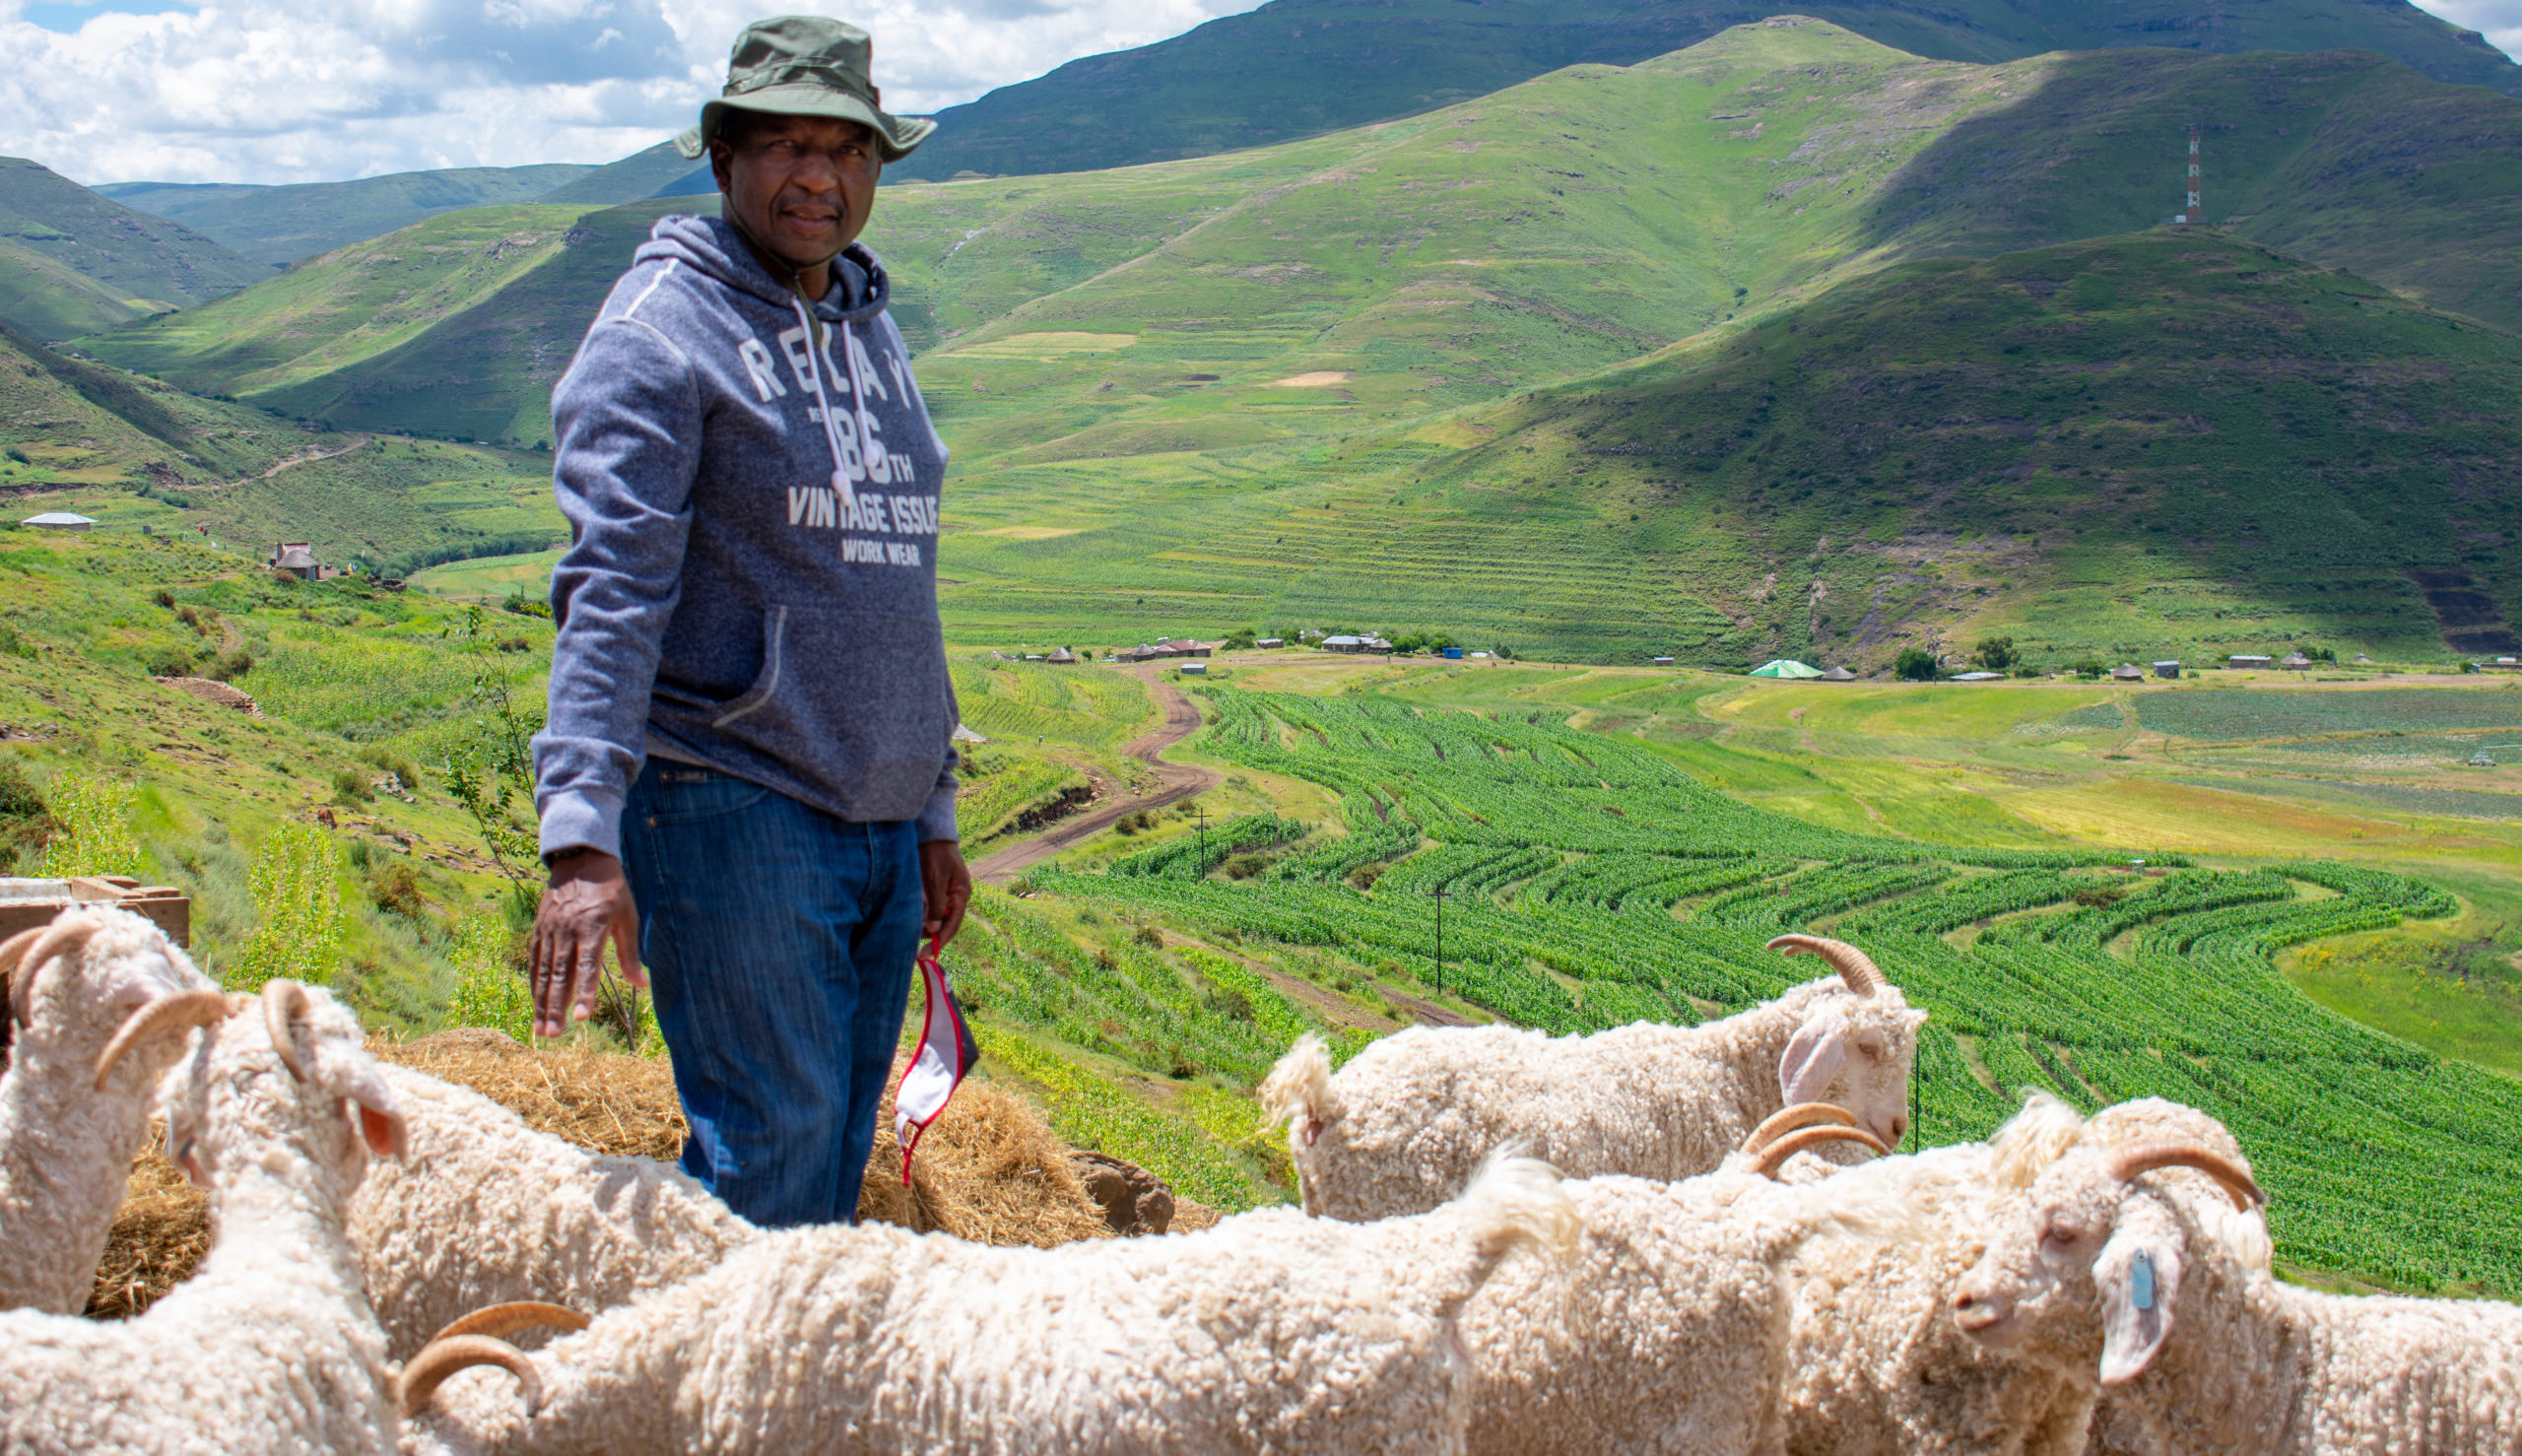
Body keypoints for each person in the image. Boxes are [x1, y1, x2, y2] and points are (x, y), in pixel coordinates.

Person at [526, 14, 968, 1228]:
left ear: (877, 168)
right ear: (723, 161)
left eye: (845, 148)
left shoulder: (869, 326)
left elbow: (896, 577)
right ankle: (683, 1401)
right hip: (730, 797)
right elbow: (609, 588)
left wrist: (928, 805)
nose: (816, 176)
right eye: (781, 145)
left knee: (827, 1150)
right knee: (766, 1153)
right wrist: (580, 838)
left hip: (874, 819)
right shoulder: (659, 333)